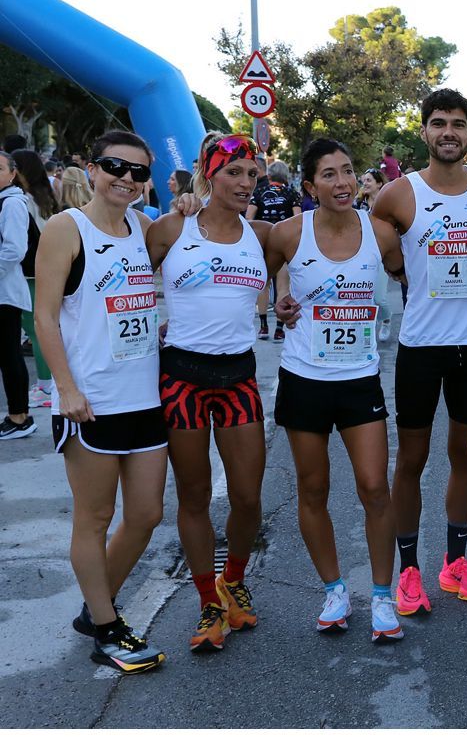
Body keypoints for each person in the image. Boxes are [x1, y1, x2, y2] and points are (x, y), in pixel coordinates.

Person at [34, 130, 167, 673]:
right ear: (92, 169)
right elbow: (45, 317)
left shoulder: (145, 227)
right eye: (115, 166)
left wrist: (187, 203)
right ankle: (108, 629)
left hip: (144, 397)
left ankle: (97, 607)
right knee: (95, 517)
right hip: (90, 400)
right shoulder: (66, 228)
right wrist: (65, 388)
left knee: (147, 514)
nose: (126, 179)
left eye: (138, 172)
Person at [267, 138, 405, 642]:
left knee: (375, 487)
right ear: (310, 186)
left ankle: (383, 595)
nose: (343, 182)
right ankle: (334, 590)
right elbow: (262, 274)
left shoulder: (380, 233)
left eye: (348, 171)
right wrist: (280, 299)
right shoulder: (288, 234)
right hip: (303, 378)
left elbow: (409, 276)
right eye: (329, 174)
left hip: (359, 379)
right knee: (313, 489)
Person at [371, 88, 467, 616]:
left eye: (458, 123)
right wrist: (405, 276)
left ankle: (455, 562)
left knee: (465, 455)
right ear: (424, 131)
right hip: (421, 346)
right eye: (439, 123)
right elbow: (376, 247)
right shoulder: (398, 194)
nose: (449, 132)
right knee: (412, 459)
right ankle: (408, 570)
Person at [146, 133, 271, 652]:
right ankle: (207, 603)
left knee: (247, 496)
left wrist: (288, 305)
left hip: (239, 377)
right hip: (182, 378)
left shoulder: (261, 234)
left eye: (252, 174)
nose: (245, 182)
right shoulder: (172, 228)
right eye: (233, 172)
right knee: (194, 496)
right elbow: (127, 280)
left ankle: (233, 581)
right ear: (209, 174)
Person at [12, 149, 58, 404]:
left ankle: (46, 386)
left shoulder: (22, 199)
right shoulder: (45, 196)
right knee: (43, 327)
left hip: (31, 272)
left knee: (36, 329)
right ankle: (48, 384)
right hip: (48, 267)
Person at [0, 150, 34, 439]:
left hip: (5, 294)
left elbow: (15, 249)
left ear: (12, 173)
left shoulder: (12, 203)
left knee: (9, 353)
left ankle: (20, 416)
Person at [247, 160, 301, 341]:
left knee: (263, 284)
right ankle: (279, 329)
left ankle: (263, 327)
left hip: (263, 242)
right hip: (284, 242)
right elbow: (298, 219)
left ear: (269, 175)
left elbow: (248, 218)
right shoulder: (292, 193)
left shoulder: (259, 192)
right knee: (283, 285)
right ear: (286, 176)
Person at [359, 169, 394, 342]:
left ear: (379, 183)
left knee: (379, 298)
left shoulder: (388, 204)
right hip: (362, 254)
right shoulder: (359, 204)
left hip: (382, 254)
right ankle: (367, 329)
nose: (365, 183)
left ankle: (386, 319)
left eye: (369, 180)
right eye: (364, 180)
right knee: (364, 297)